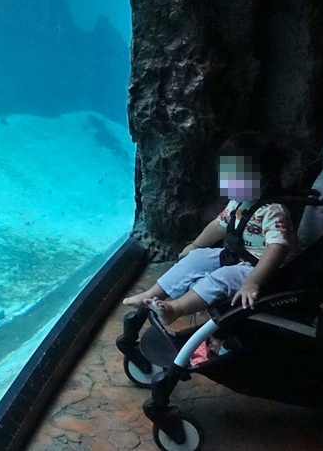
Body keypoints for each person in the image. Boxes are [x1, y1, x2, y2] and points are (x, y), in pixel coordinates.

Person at [122, 133, 296, 327]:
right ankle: (152, 294)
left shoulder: (274, 211)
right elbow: (219, 226)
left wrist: (253, 282)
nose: (226, 184)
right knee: (196, 258)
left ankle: (175, 309)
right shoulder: (238, 203)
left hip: (256, 269)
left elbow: (277, 248)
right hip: (232, 255)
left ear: (261, 179)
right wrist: (196, 245)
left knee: (221, 278)